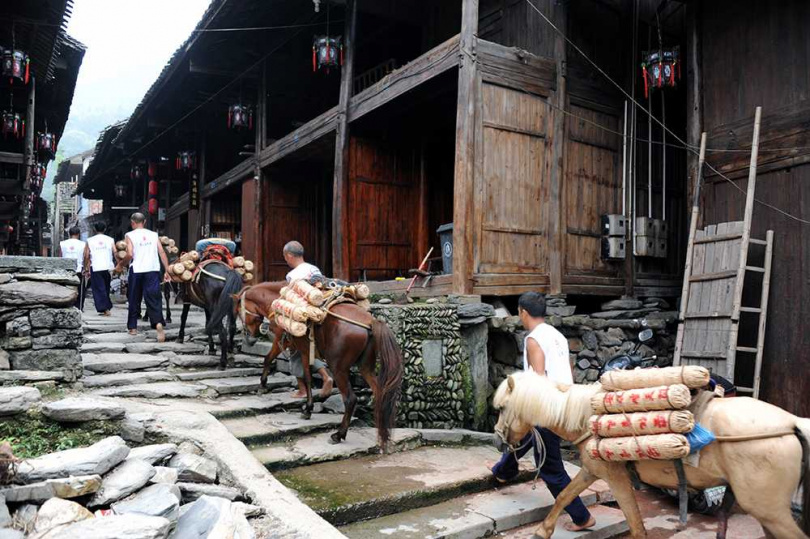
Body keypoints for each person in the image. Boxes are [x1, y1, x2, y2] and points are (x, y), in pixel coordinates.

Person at [490, 292, 596, 532]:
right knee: (525, 434)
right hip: (565, 402)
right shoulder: (556, 335)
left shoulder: (533, 339)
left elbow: (538, 381)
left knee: (550, 467)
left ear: (523, 312)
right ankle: (504, 470)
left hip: (548, 409)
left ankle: (582, 517)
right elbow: (566, 368)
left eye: (519, 313)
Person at [283, 240, 334, 398]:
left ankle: (303, 389)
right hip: (320, 311)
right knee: (312, 350)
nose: (285, 260)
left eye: (285, 257)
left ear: (290, 256)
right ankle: (325, 376)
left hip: (304, 315)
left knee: (295, 348)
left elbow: (291, 298)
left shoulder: (292, 275)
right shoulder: (314, 268)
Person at [120, 213, 169, 342]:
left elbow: (129, 254)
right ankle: (158, 324)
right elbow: (162, 252)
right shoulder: (153, 235)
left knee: (134, 298)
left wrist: (120, 265)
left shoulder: (129, 235)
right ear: (145, 222)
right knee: (154, 297)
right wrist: (167, 270)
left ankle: (133, 328)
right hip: (152, 269)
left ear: (132, 222)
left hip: (137, 270)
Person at [83, 222, 116, 316]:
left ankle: (105, 308)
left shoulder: (90, 240)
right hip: (108, 267)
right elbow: (115, 252)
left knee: (99, 288)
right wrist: (119, 265)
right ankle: (106, 306)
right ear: (105, 229)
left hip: (96, 266)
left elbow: (86, 255)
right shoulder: (110, 240)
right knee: (106, 287)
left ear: (94, 229)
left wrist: (86, 267)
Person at [59, 226, 86, 310]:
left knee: (65, 287)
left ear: (69, 234)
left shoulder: (62, 243)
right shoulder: (83, 244)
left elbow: (60, 256)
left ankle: (65, 304)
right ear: (78, 234)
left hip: (65, 269)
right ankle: (79, 306)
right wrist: (85, 268)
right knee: (80, 288)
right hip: (78, 268)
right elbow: (85, 256)